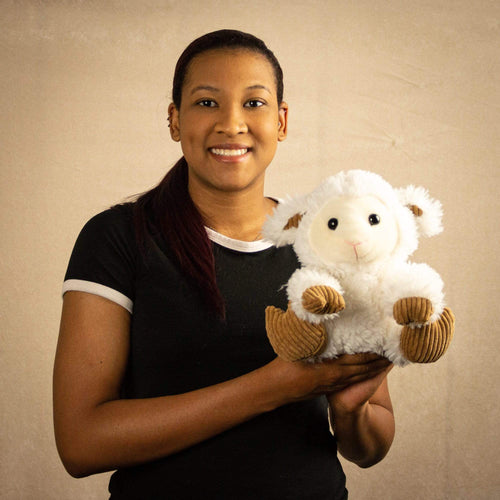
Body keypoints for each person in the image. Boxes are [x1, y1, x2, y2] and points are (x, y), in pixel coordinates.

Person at [53, 29, 394, 499]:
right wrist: (273, 387)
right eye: (207, 103)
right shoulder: (118, 238)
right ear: (174, 120)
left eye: (254, 103)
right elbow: (80, 443)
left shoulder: (328, 238)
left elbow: (370, 449)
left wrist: (351, 410)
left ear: (282, 120)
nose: (232, 124)